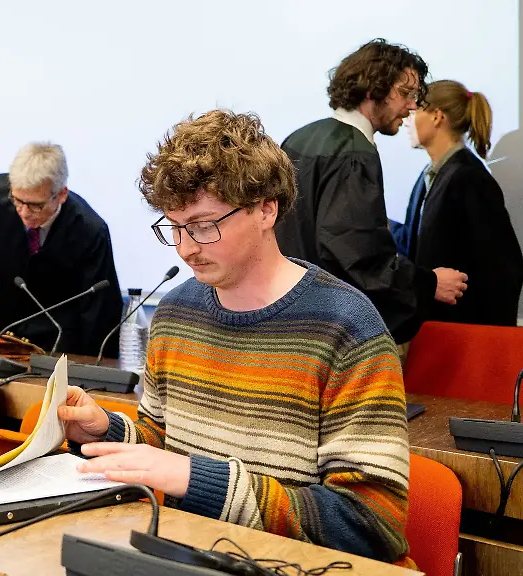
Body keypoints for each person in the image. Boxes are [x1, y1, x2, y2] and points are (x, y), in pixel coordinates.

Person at [59, 110, 414, 567]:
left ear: (266, 209)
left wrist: (200, 480)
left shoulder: (345, 327)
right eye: (174, 227)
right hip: (190, 556)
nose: (186, 247)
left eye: (204, 226)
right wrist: (105, 429)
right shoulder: (176, 312)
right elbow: (162, 442)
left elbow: (372, 523)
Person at [275, 38, 468, 344]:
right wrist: (428, 283)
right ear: (372, 89)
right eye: (405, 93)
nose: (413, 106)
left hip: (288, 319)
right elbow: (356, 255)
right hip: (333, 330)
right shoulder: (354, 152)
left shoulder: (300, 138)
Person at [0, 142, 123, 356]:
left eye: (36, 205)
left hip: (56, 343)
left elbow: (99, 309)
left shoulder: (90, 230)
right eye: (17, 201)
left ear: (62, 194)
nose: (25, 213)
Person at [391, 81, 523, 326]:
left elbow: (502, 269)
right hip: (435, 329)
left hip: (460, 334)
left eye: (414, 111)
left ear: (437, 117)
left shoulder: (469, 178)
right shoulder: (429, 176)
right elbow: (420, 245)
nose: (407, 120)